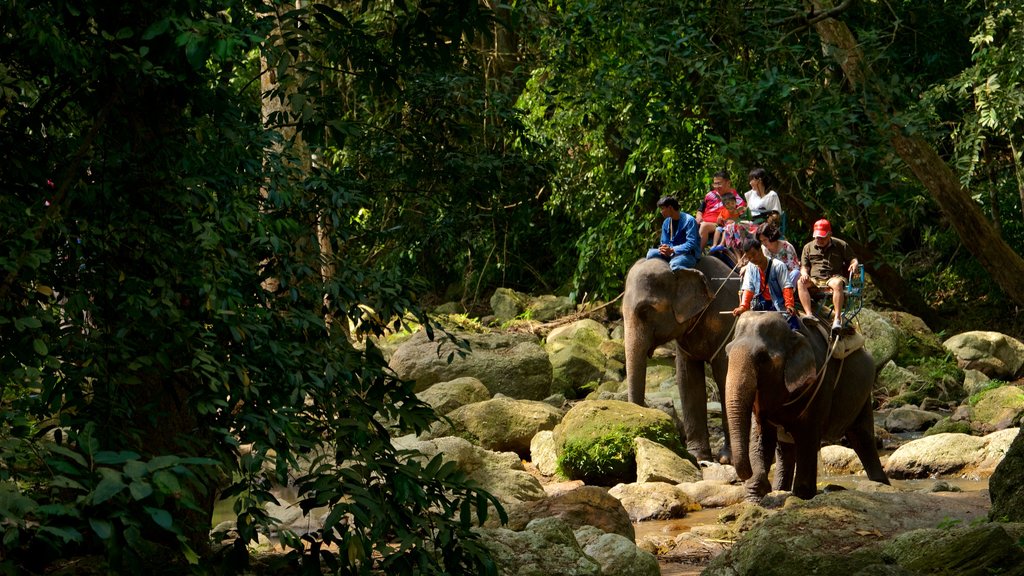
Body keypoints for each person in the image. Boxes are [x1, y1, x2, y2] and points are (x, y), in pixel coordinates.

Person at [797, 219, 859, 332]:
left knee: (837, 283)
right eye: (817, 237)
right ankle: (809, 314)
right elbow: (804, 266)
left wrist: (854, 264)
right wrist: (804, 274)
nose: (819, 240)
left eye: (823, 237)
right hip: (815, 279)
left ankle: (837, 319)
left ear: (829, 234)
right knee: (801, 282)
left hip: (833, 277)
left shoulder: (840, 244)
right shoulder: (808, 247)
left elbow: (853, 259)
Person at [731, 237, 797, 320]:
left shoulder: (778, 266)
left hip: (778, 304)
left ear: (760, 250)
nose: (752, 259)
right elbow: (748, 288)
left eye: (753, 255)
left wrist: (789, 305)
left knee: (793, 328)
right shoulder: (750, 267)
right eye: (749, 257)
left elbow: (786, 286)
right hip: (759, 305)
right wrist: (743, 306)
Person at [646, 195, 701, 270]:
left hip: (688, 255)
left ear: (670, 208)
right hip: (671, 253)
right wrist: (664, 248)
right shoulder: (666, 222)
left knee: (674, 265)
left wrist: (673, 250)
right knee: (650, 254)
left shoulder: (689, 220)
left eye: (662, 209)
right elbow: (664, 242)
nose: (661, 212)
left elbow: (691, 243)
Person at [696, 170, 746, 251]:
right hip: (702, 222)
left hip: (718, 224)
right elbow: (700, 210)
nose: (716, 186)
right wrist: (698, 216)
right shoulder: (709, 195)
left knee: (704, 226)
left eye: (719, 183)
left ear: (728, 183)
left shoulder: (735, 198)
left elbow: (742, 213)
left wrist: (732, 220)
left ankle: (697, 254)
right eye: (715, 183)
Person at [757, 221, 800, 287]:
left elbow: (794, 268)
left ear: (772, 236)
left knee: (796, 273)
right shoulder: (763, 249)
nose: (763, 243)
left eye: (765, 240)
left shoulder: (787, 247)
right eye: (761, 241)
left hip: (787, 280)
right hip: (771, 282)